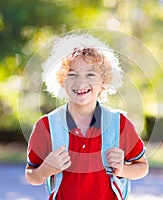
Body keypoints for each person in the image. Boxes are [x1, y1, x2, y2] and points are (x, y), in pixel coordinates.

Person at [25, 34, 149, 200]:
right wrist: (45, 169)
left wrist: (122, 169)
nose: (80, 82)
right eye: (72, 74)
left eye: (90, 74)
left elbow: (142, 167)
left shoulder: (119, 124)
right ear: (61, 80)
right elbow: (31, 174)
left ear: (103, 81)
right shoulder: (46, 126)